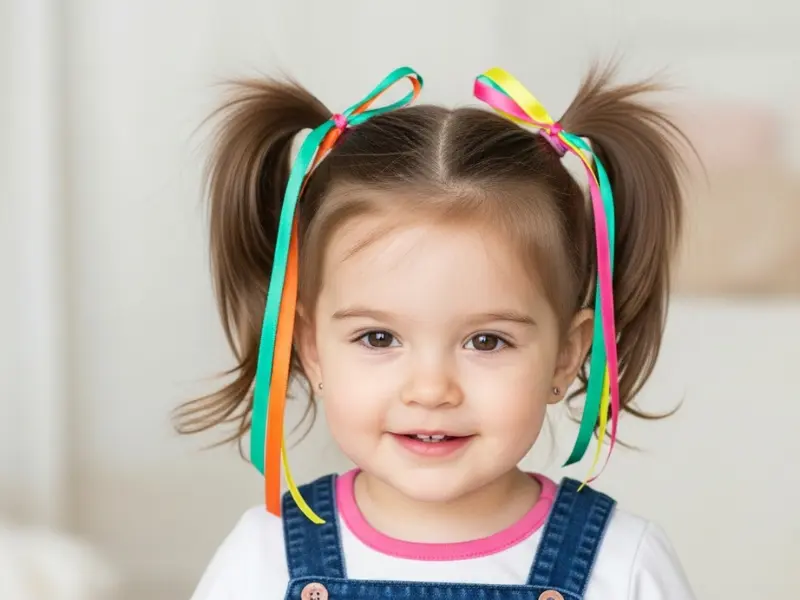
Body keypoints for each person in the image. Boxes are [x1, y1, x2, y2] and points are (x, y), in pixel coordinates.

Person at [180, 64, 696, 599]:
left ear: (566, 357)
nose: (430, 390)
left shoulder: (622, 564)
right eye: (378, 338)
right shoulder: (261, 560)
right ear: (311, 348)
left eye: (487, 341)